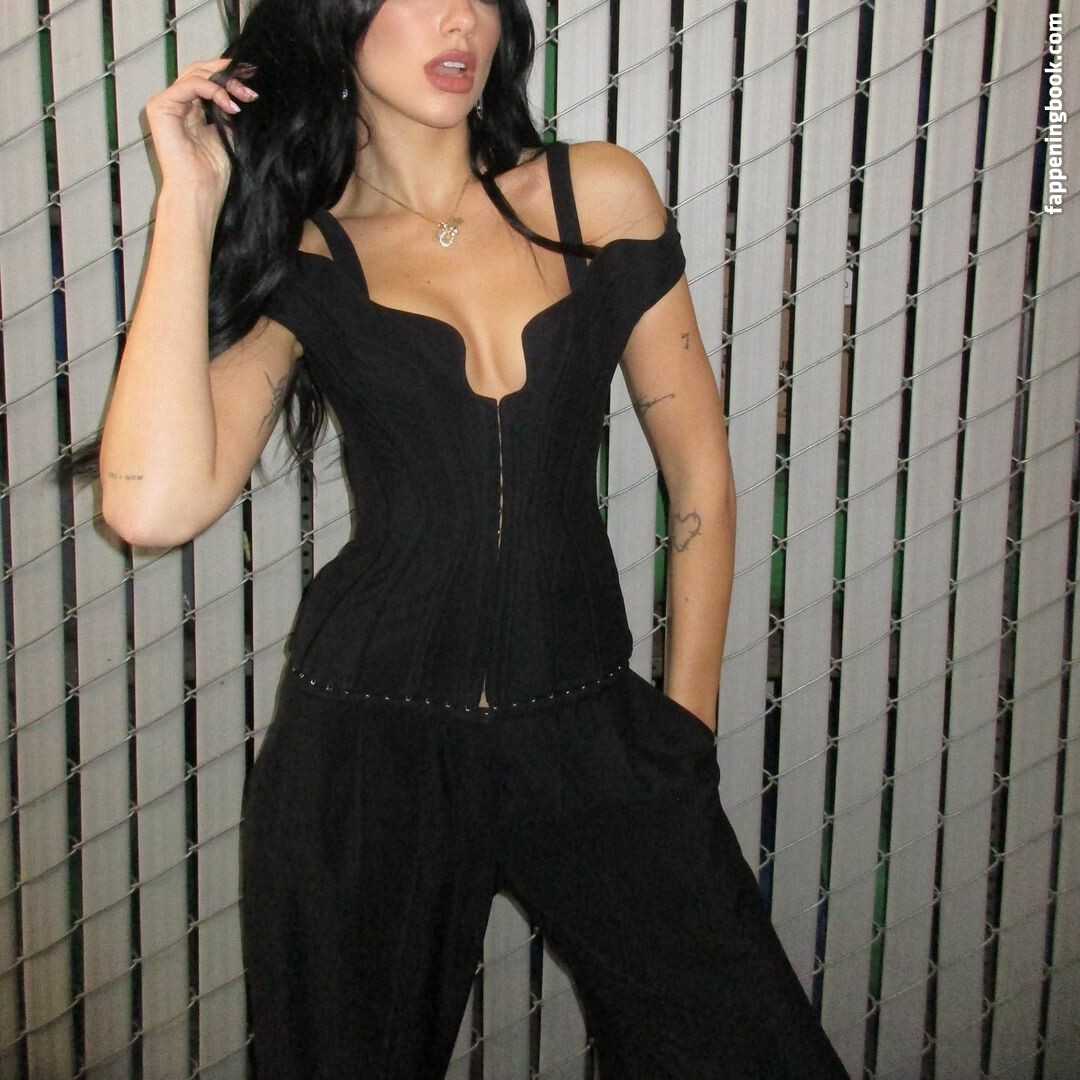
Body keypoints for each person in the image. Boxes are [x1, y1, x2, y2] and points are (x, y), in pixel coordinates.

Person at [64, 0, 850, 1076]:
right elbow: (150, 508)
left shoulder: (593, 195)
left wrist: (683, 737)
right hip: (365, 754)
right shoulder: (308, 254)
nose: (456, 18)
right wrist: (191, 201)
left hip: (587, 726)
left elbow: (699, 475)